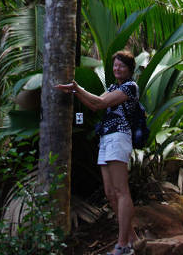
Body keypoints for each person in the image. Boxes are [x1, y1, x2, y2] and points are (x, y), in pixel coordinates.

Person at [55, 50, 144, 255]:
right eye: (115, 65)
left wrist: (78, 88)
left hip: (119, 136)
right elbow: (95, 104)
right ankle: (131, 238)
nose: (117, 68)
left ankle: (122, 245)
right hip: (106, 138)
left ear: (130, 69)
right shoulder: (114, 87)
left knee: (121, 191)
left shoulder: (130, 87)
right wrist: (76, 91)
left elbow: (101, 103)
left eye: (121, 65)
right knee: (110, 193)